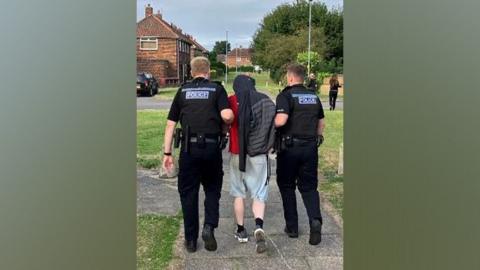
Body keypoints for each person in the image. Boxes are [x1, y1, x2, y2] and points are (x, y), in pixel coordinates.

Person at [162, 56, 234, 253]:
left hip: (188, 149)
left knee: (188, 193)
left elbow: (170, 125)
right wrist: (229, 119)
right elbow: (227, 115)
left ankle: (191, 240)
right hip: (211, 149)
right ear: (208, 71)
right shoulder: (217, 89)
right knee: (212, 189)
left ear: (191, 72)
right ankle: (209, 226)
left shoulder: (182, 91)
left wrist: (167, 153)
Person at [274, 63, 325, 246]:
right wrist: (317, 136)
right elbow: (321, 121)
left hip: (289, 149)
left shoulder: (285, 95)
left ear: (290, 77)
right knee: (309, 187)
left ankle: (292, 227)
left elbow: (281, 120)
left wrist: (269, 123)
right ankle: (315, 220)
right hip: (310, 147)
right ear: (303, 77)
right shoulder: (313, 96)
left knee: (287, 186)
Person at [228, 74, 276, 253]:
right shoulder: (265, 100)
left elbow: (225, 121)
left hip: (236, 154)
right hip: (259, 155)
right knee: (259, 195)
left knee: (238, 194)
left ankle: (241, 230)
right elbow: (274, 124)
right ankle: (258, 226)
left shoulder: (231, 100)